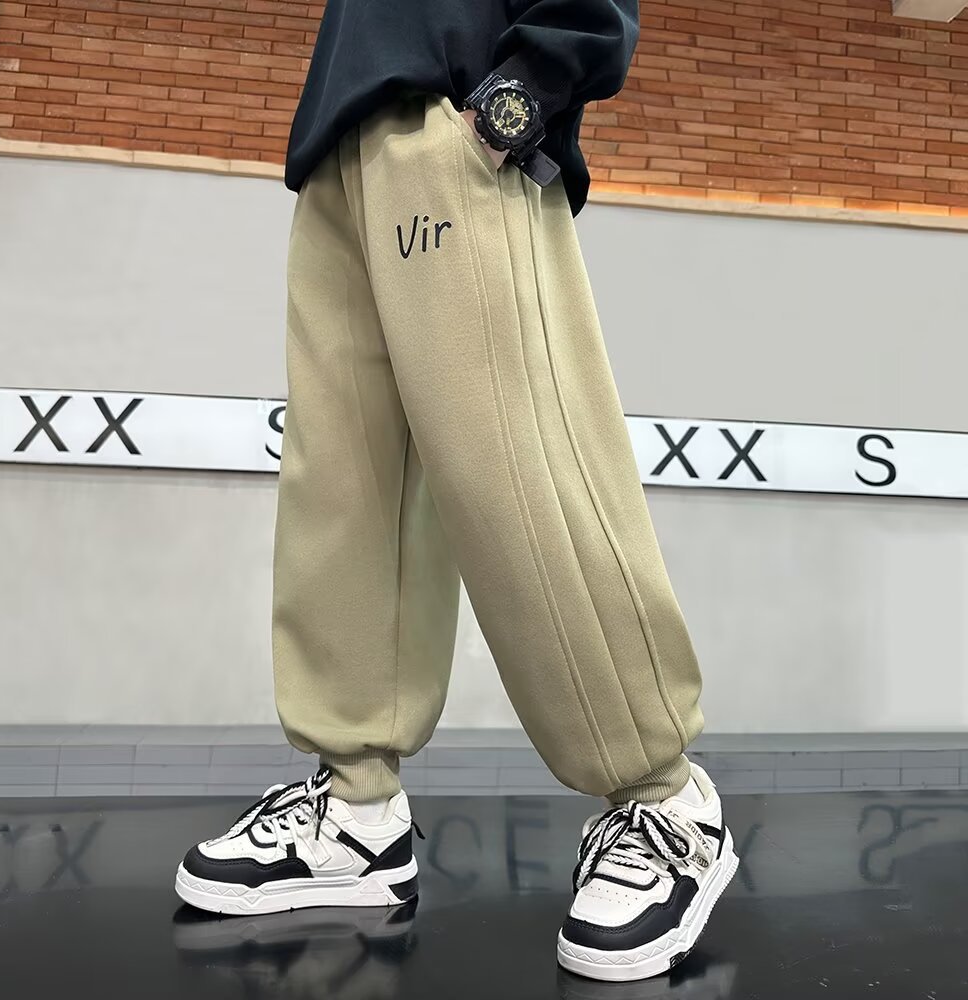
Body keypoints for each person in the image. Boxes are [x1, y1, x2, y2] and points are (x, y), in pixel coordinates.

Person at [173, 0, 737, 982]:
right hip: (338, 141)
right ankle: (357, 812)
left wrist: (517, 96)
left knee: (520, 472)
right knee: (343, 492)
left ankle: (665, 803)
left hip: (459, 122)